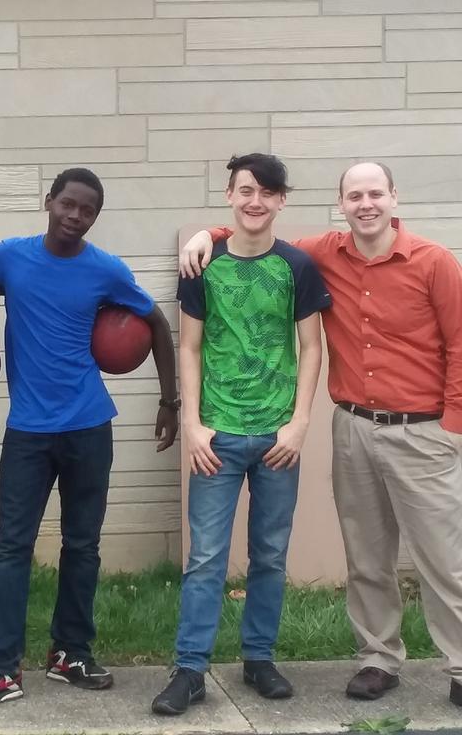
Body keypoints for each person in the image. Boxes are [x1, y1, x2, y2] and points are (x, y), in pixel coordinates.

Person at [180, 161, 462, 708]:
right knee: (366, 554)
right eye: (355, 195)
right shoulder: (323, 254)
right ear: (342, 205)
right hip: (353, 426)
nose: (366, 204)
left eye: (375, 193)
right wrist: (207, 234)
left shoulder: (434, 262)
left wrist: (452, 427)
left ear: (394, 197)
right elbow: (253, 230)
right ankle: (379, 658)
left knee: (443, 557)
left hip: (423, 430)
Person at [0, 167, 180, 708]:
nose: (75, 217)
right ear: (49, 201)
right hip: (28, 430)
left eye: (87, 211)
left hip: (89, 426)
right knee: (11, 548)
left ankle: (70, 653)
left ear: (94, 217)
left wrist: (170, 402)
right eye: (67, 205)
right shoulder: (13, 256)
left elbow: (159, 326)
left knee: (83, 545)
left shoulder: (107, 269)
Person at [152, 154, 330, 716]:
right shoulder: (204, 264)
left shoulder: (296, 266)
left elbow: (310, 346)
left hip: (278, 437)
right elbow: (189, 346)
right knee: (205, 558)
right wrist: (192, 425)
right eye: (246, 190)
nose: (256, 201)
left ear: (282, 201)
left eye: (268, 192)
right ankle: (190, 669)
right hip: (217, 438)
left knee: (270, 556)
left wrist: (300, 422)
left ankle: (258, 659)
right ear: (230, 194)